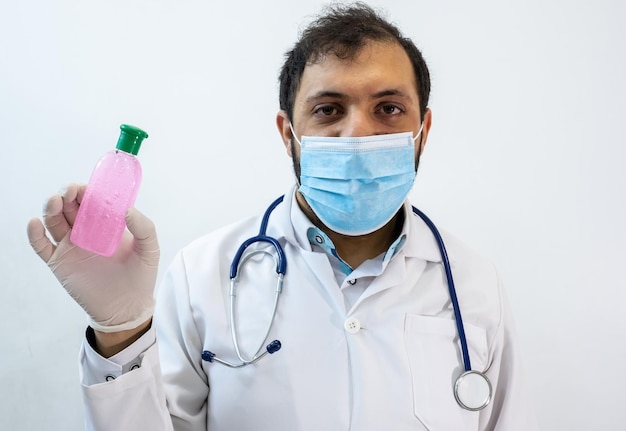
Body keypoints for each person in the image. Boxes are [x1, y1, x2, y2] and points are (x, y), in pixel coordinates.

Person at [27, 3, 538, 430]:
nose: (357, 133)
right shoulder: (203, 274)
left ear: (422, 130)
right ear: (286, 133)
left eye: (388, 108)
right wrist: (120, 330)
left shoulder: (474, 286)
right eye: (328, 109)